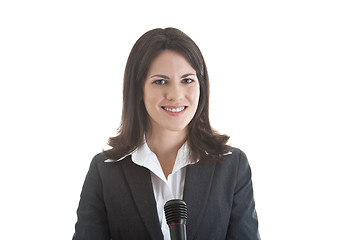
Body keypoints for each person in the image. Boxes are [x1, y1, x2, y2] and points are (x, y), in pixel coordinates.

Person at [73, 27, 260, 240]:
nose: (175, 94)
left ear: (201, 85)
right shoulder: (105, 172)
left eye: (187, 80)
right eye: (160, 81)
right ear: (139, 90)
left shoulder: (232, 166)